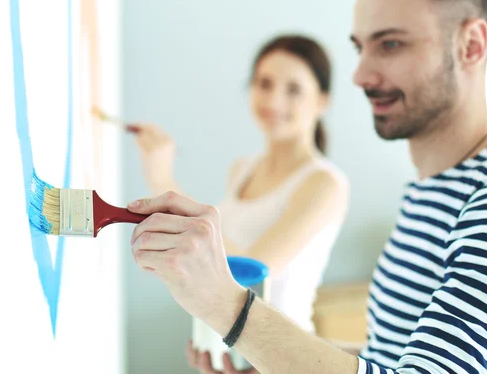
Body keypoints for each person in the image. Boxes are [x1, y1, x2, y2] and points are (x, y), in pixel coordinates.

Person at [128, 0, 487, 372]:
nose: (360, 74)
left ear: (471, 45)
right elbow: (391, 355)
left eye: (391, 44)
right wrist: (268, 361)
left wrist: (229, 308)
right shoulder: (432, 192)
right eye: (360, 47)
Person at [131, 36, 350, 371]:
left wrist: (164, 183)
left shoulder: (325, 184)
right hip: (227, 353)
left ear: (322, 101)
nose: (274, 100)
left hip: (281, 360)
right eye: (264, 83)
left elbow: (251, 271)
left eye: (293, 89)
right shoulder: (241, 170)